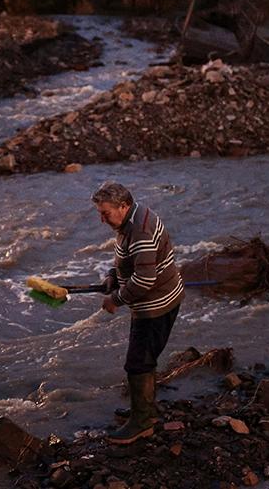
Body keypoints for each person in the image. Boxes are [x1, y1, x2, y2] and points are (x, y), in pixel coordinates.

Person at [92, 182, 184, 445]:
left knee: (138, 363)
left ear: (123, 206)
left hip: (156, 305)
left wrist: (115, 300)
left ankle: (142, 423)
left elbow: (144, 280)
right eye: (99, 213)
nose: (102, 219)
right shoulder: (131, 218)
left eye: (105, 213)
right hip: (156, 298)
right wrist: (114, 275)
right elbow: (128, 259)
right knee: (143, 358)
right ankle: (143, 411)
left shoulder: (140, 231)